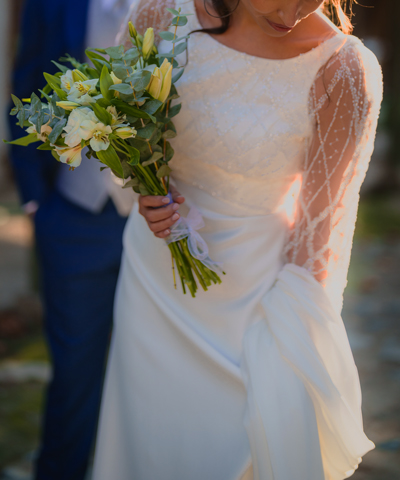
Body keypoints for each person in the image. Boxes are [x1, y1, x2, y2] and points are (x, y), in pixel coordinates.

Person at [92, 0, 383, 479]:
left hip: (253, 302)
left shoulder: (343, 68)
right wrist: (143, 189)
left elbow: (324, 232)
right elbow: (117, 131)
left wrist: (295, 347)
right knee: (146, 444)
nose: (292, 11)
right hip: (154, 283)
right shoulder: (160, 15)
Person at [8, 0, 134, 479]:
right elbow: (25, 90)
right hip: (73, 216)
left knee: (153, 368)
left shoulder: (190, 6)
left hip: (163, 220)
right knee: (75, 375)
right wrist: (37, 203)